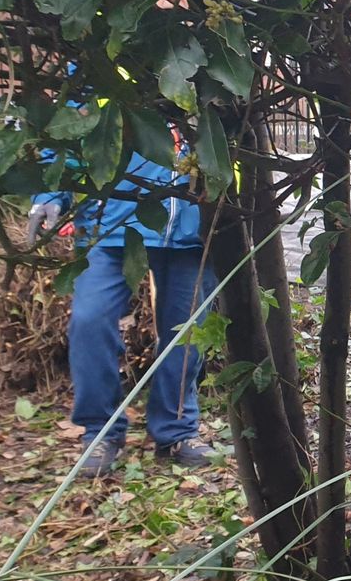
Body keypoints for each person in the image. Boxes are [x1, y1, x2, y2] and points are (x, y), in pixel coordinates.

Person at [29, 135, 217, 478]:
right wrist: (49, 196)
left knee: (186, 334)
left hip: (191, 230)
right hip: (110, 224)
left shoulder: (208, 101)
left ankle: (176, 432)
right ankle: (100, 432)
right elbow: (66, 135)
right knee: (89, 320)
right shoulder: (107, 94)